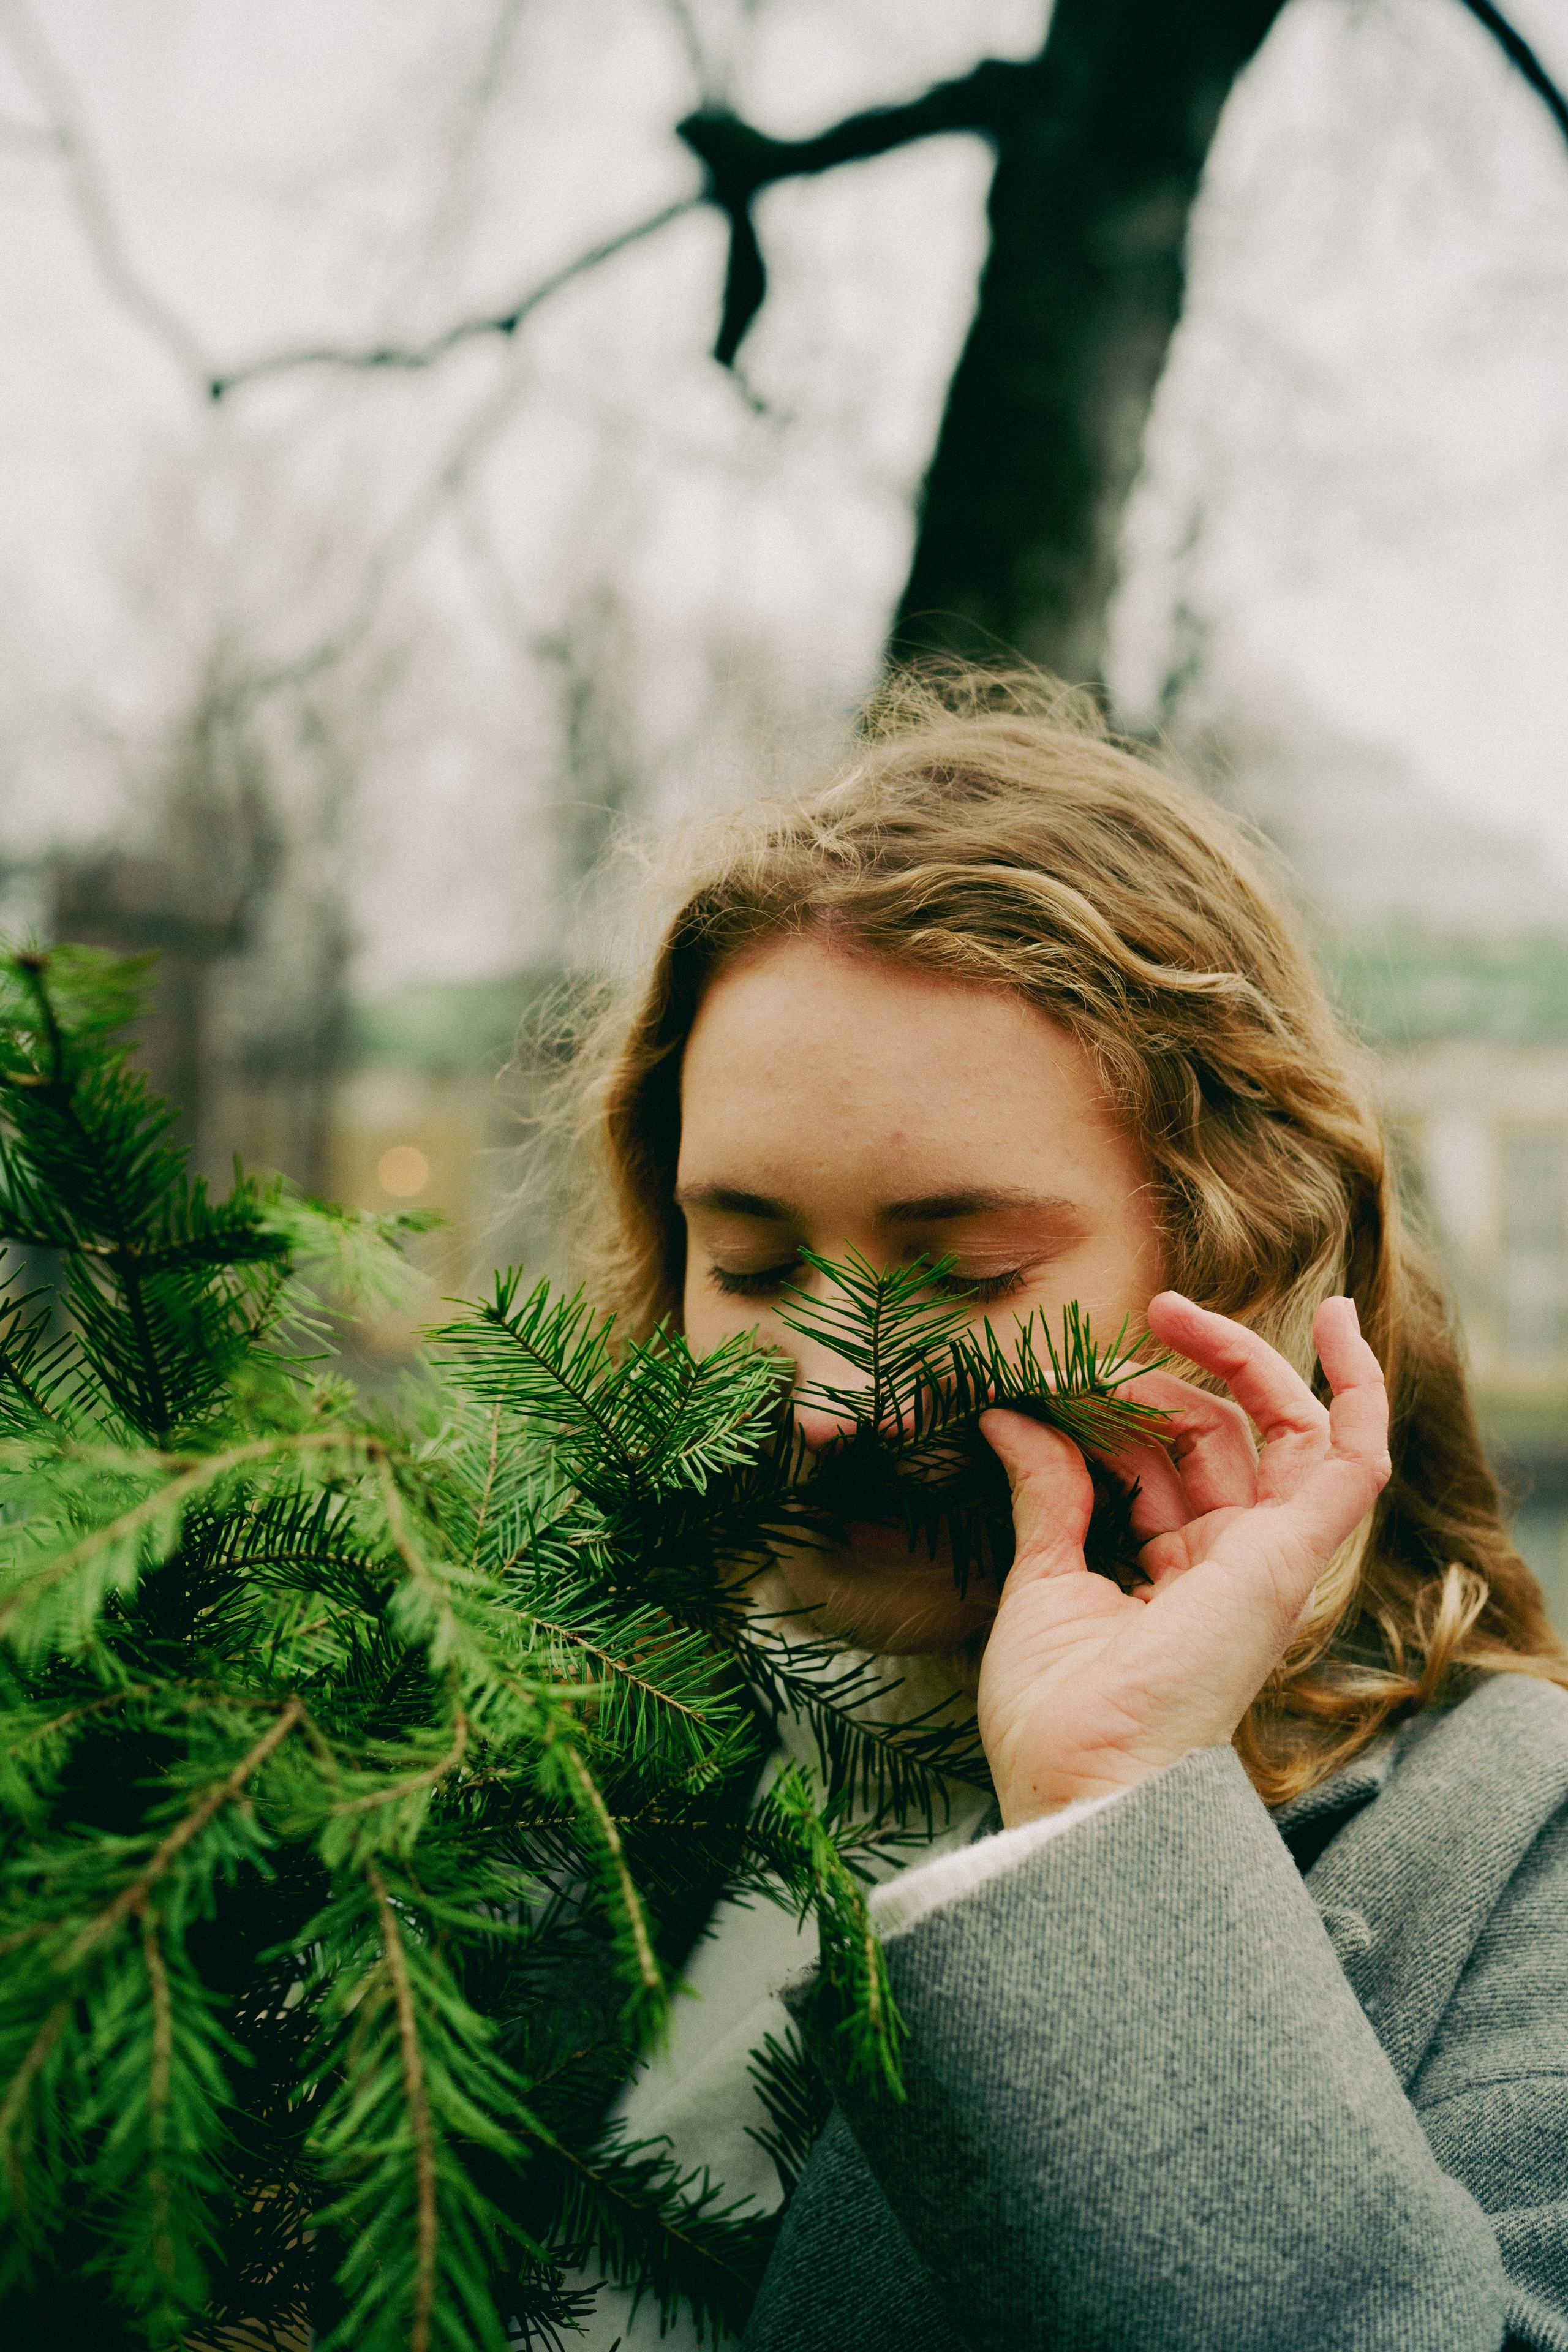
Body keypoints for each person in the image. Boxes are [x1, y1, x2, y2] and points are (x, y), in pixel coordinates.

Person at [563, 671, 1568, 2351]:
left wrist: (1106, 1834)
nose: (832, 1395)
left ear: (1233, 1240)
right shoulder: (508, 1726)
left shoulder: (1505, 1849)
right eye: (748, 1262)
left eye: (965, 1272)